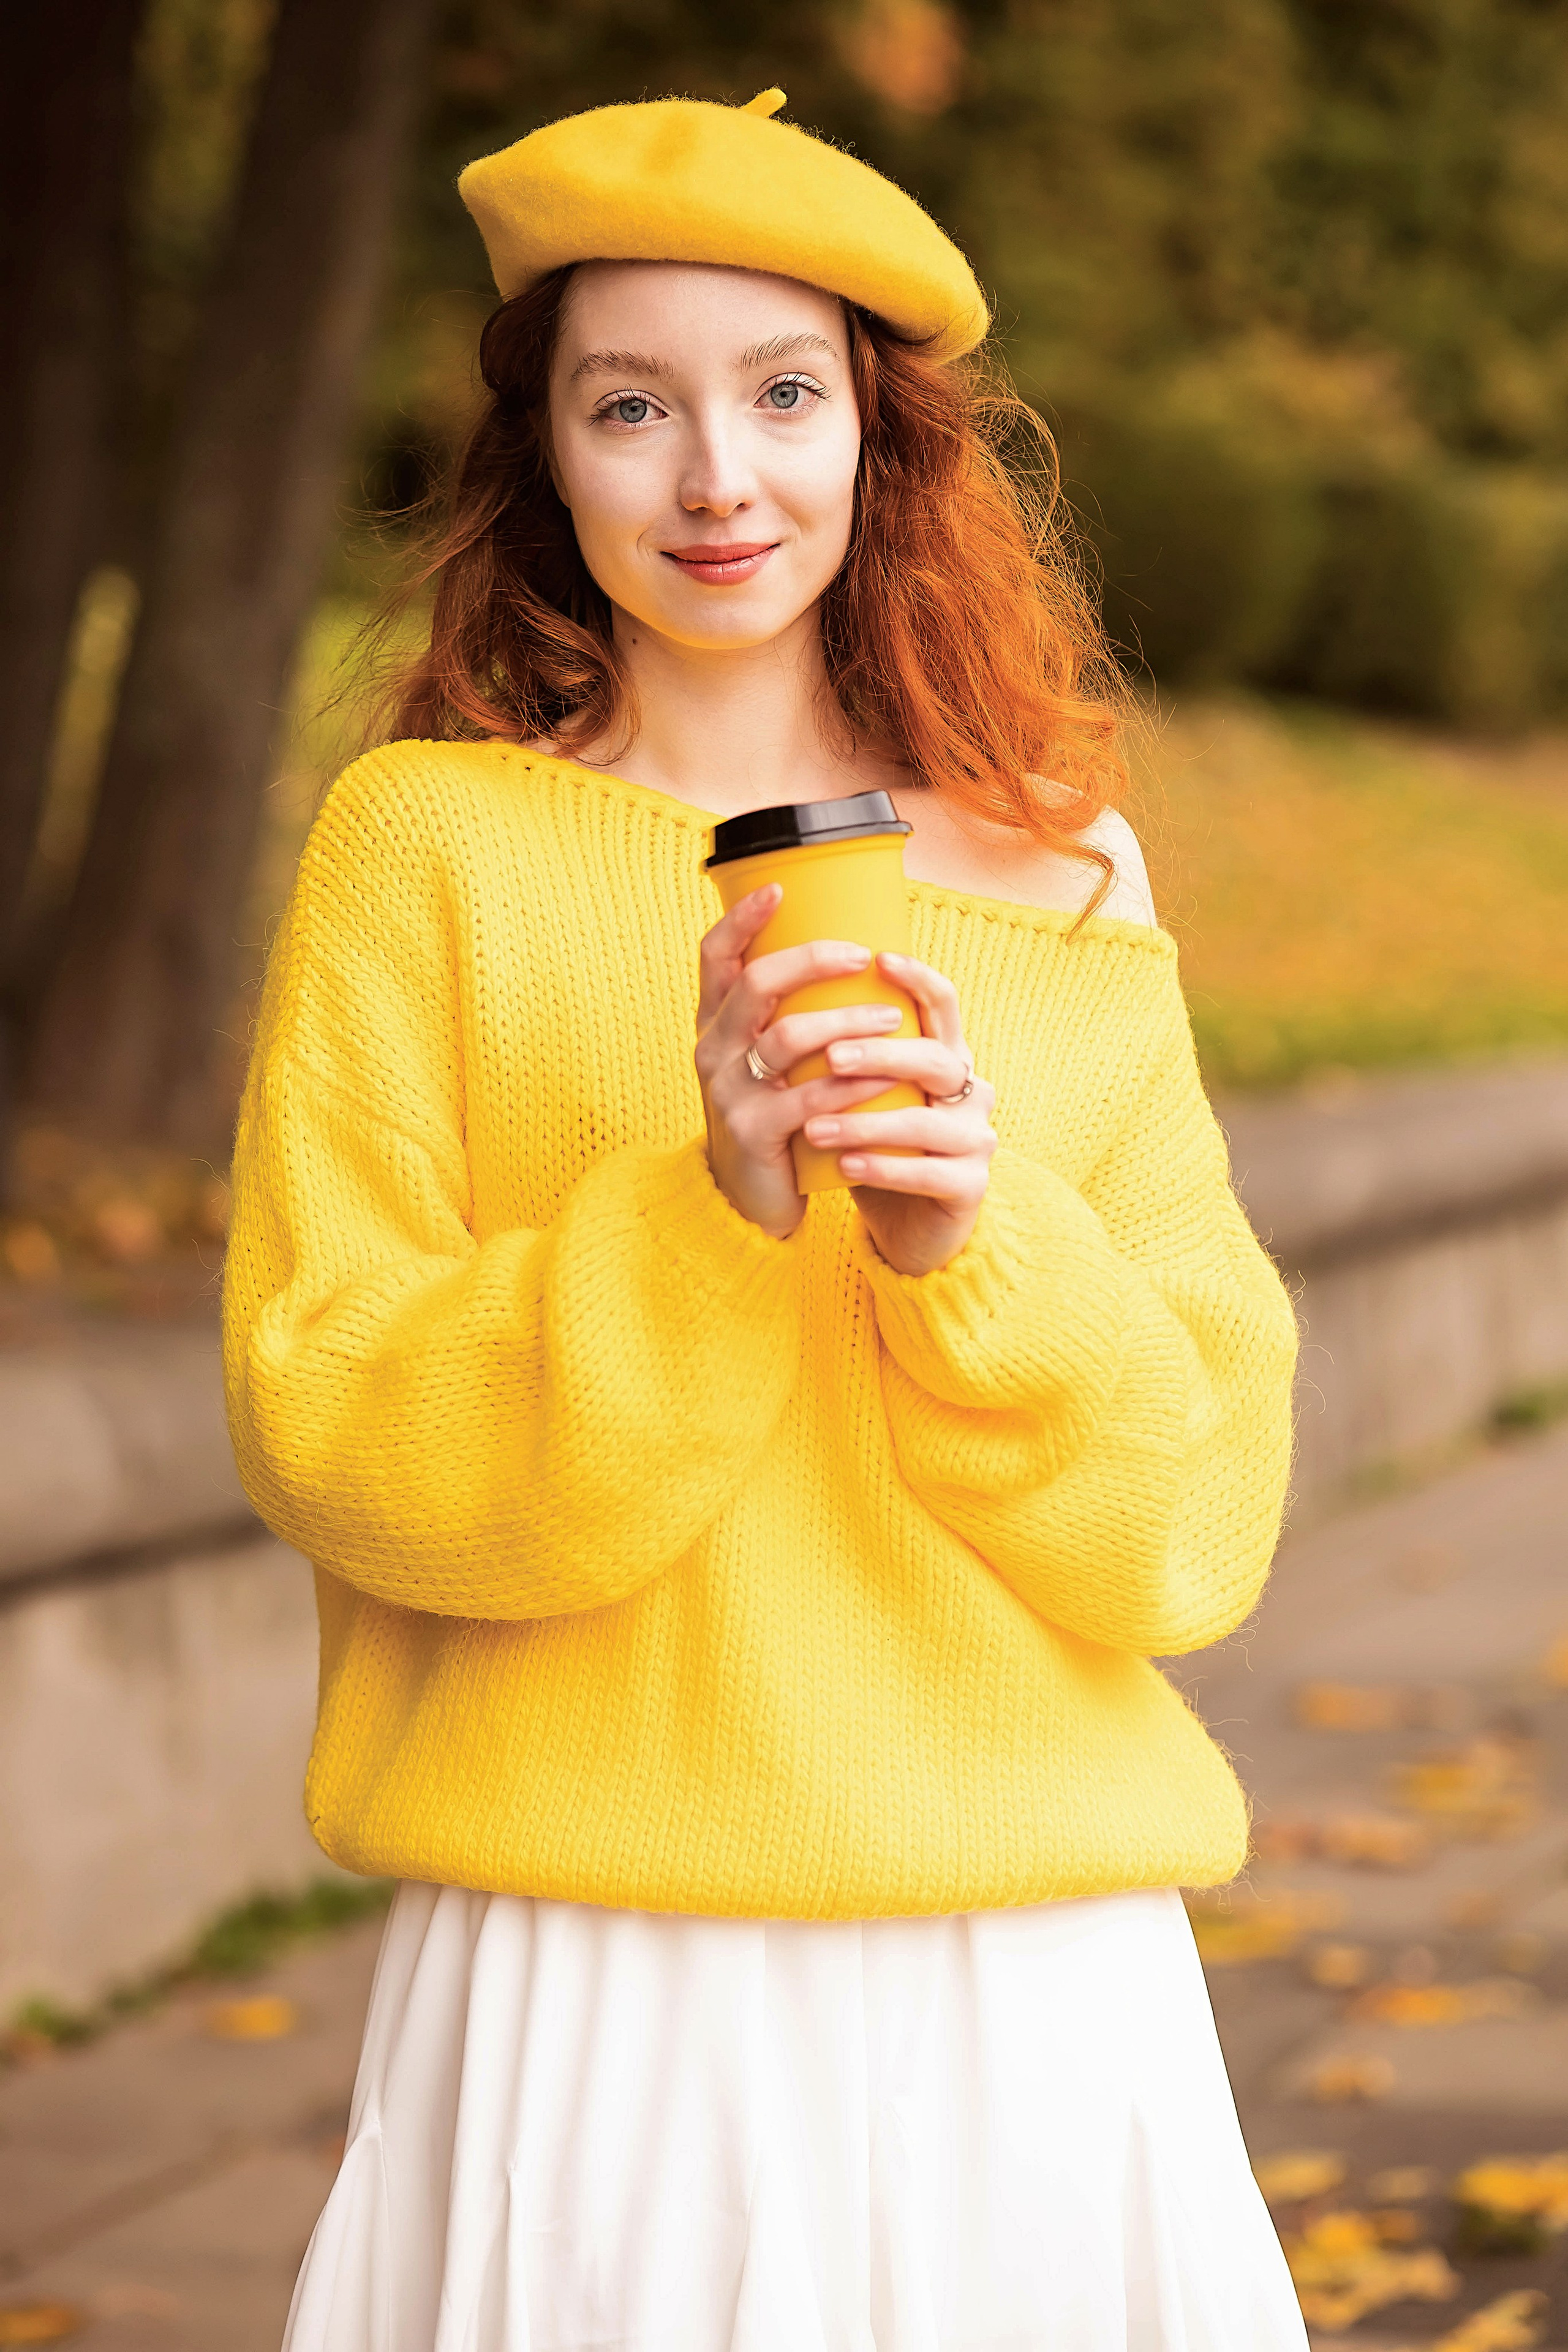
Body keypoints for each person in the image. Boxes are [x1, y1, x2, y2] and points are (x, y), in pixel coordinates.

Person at [222, 88, 1308, 2352]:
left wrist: (970, 1248)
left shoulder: (1067, 878)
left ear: (878, 437)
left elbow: (1194, 1522)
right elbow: (328, 1423)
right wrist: (703, 1215)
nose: (719, 480)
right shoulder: (429, 851)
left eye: (784, 395)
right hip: (593, 1960)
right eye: (635, 406)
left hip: (1025, 1974)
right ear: (554, 456)